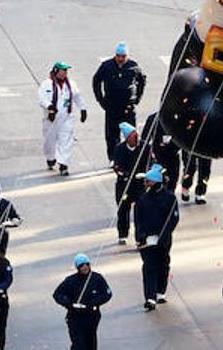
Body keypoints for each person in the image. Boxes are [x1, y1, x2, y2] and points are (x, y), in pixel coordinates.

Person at [134, 163, 178, 309]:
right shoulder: (143, 199)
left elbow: (173, 219)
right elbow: (138, 220)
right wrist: (141, 236)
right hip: (147, 240)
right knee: (149, 267)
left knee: (163, 264)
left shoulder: (170, 198)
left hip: (163, 240)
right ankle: (150, 297)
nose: (146, 183)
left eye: (148, 181)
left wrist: (163, 236)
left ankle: (160, 291)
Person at [92, 43, 146, 160]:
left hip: (128, 108)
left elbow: (142, 80)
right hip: (112, 107)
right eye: (118, 56)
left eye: (123, 56)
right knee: (112, 136)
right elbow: (96, 81)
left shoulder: (133, 66)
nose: (120, 59)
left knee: (131, 135)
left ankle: (131, 158)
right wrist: (101, 100)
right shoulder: (106, 66)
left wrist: (137, 98)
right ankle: (113, 158)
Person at [53, 254, 111, 350]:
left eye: (86, 264)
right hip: (75, 316)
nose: (85, 267)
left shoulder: (97, 278)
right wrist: (68, 304)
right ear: (77, 267)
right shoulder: (70, 280)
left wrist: (93, 302)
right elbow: (57, 294)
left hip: (91, 316)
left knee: (90, 343)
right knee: (78, 344)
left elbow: (107, 294)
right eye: (81, 265)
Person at [38, 62, 87, 175]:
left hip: (66, 118)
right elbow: (42, 98)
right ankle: (51, 158)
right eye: (62, 70)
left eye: (66, 70)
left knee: (66, 141)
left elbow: (77, 97)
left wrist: (83, 109)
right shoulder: (47, 84)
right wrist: (49, 107)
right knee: (49, 141)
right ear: (56, 71)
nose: (65, 73)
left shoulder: (71, 84)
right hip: (51, 119)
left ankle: (64, 164)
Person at [111, 123, 143, 244]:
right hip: (124, 185)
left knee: (140, 212)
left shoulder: (144, 147)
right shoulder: (119, 149)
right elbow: (117, 166)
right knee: (123, 209)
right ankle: (123, 233)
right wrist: (124, 174)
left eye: (137, 136)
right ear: (127, 138)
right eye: (134, 137)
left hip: (139, 184)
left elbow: (151, 162)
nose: (137, 139)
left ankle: (140, 237)